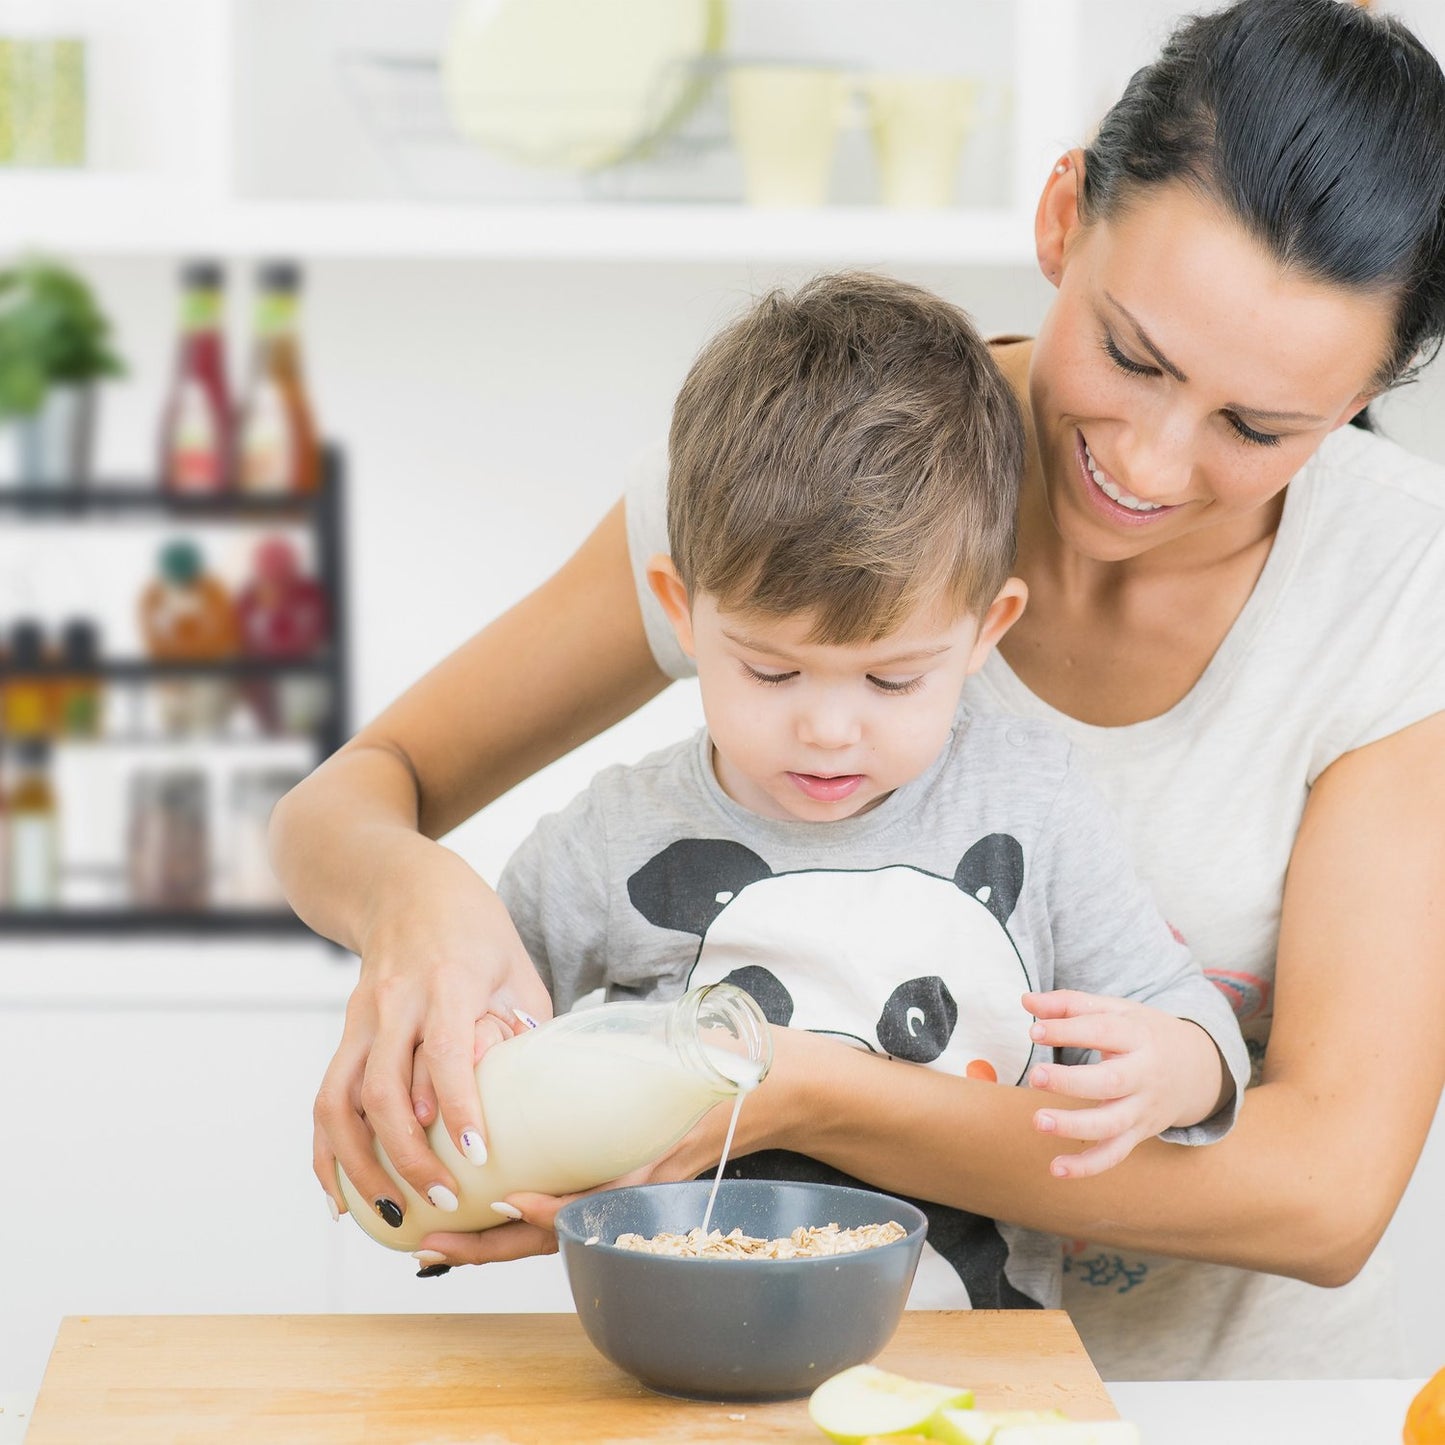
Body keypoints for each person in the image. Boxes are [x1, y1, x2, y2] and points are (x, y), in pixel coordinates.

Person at [272, 0, 1445, 1381]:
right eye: (1130, 353)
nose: (1155, 460)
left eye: (1261, 427)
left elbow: (1321, 1193)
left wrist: (779, 1095)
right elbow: (348, 801)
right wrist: (419, 908)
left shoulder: (1393, 582)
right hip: (797, 1391)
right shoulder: (808, 482)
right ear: (1064, 218)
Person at [490, 271, 1248, 1312]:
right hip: (680, 1341)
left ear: (986, 630)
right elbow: (481, 1011)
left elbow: (1178, 1007)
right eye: (769, 670)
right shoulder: (617, 836)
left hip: (973, 1361)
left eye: (893, 678)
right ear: (679, 610)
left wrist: (1175, 1065)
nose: (828, 727)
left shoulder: (1032, 807)